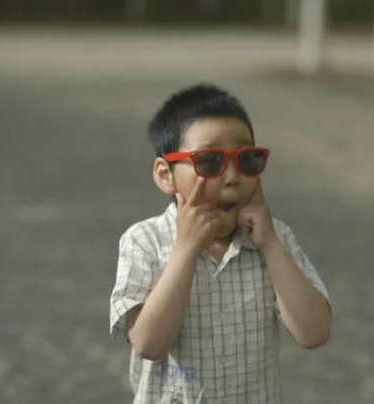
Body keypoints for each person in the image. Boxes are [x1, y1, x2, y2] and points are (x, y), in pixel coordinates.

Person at [109, 83, 332, 403]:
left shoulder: (275, 238)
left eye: (246, 160)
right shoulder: (145, 241)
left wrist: (269, 244)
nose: (231, 177)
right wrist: (186, 250)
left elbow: (314, 333)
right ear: (166, 175)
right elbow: (149, 344)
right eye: (210, 161)